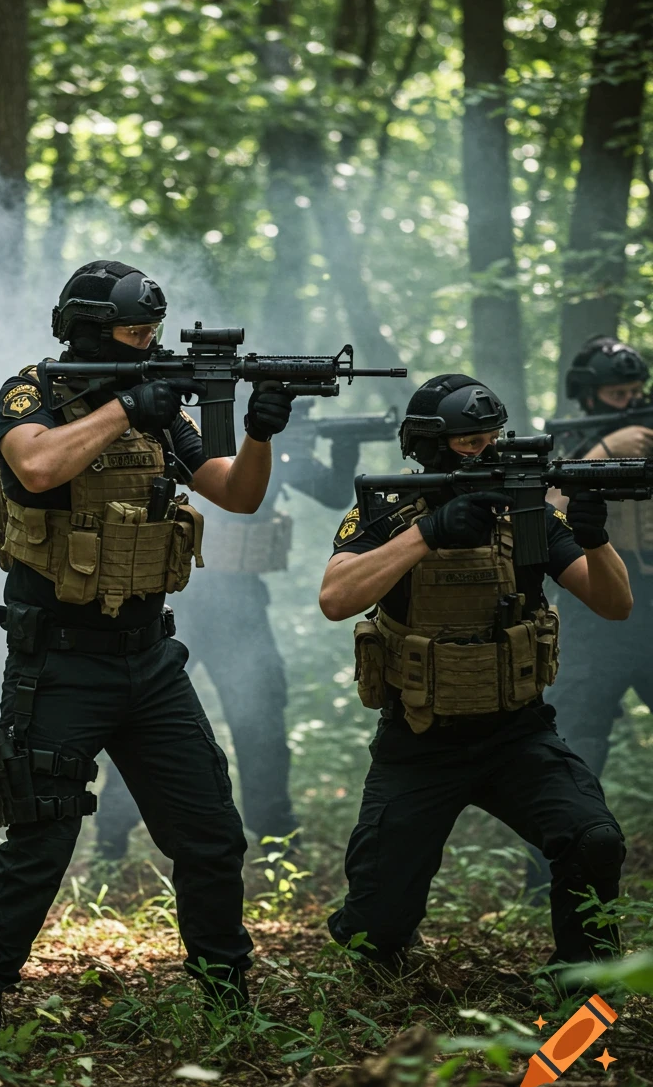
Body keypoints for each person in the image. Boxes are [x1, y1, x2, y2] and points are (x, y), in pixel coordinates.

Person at [0, 260, 293, 1062]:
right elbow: (34, 465)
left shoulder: (158, 408)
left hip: (149, 661)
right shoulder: (30, 391)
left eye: (152, 335)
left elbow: (235, 494)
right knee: (41, 844)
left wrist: (258, 433)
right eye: (136, 334)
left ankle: (226, 997)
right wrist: (123, 407)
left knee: (211, 833)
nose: (150, 346)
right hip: (60, 662)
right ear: (88, 329)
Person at [318, 373, 631, 978]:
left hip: (516, 733)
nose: (484, 452)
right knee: (372, 931)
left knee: (593, 839)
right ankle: (390, 941)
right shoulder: (387, 510)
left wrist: (594, 537)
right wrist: (427, 534)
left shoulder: (527, 512)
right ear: (430, 445)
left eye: (491, 438)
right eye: (468, 442)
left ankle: (585, 980)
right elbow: (336, 597)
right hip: (419, 738)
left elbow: (614, 603)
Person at [95, 411, 363, 858]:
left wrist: (342, 443)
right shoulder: (191, 442)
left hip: (240, 602)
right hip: (183, 596)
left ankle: (275, 834)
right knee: (146, 717)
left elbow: (334, 492)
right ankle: (111, 838)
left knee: (260, 718)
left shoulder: (277, 449)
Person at [525, 336, 653, 893]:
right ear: (588, 395)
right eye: (615, 393)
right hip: (593, 611)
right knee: (572, 747)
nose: (628, 401)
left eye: (634, 391)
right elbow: (540, 512)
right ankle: (548, 876)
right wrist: (608, 450)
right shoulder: (566, 445)